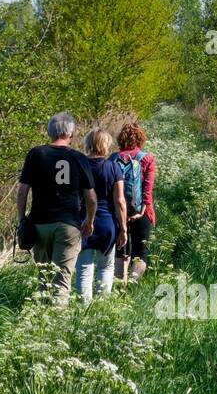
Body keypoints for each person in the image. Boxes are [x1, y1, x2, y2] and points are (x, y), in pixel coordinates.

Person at [17, 112, 96, 306]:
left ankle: (41, 320)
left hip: (40, 223)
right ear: (71, 133)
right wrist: (89, 221)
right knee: (62, 279)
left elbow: (22, 192)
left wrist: (22, 219)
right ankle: (57, 327)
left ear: (49, 132)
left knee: (44, 278)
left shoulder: (36, 154)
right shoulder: (78, 158)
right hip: (68, 225)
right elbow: (91, 198)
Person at [74, 128, 127, 302]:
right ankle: (102, 306)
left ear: (88, 144)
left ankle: (83, 308)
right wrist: (123, 229)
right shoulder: (113, 168)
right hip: (107, 223)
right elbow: (120, 201)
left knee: (84, 268)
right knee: (106, 267)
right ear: (105, 145)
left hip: (82, 221)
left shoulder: (78, 166)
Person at [112, 121, 156, 284]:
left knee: (120, 250)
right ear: (141, 138)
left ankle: (118, 287)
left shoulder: (113, 158)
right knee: (141, 252)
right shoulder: (147, 159)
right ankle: (132, 284)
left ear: (121, 139)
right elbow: (148, 188)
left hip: (118, 211)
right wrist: (143, 209)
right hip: (141, 211)